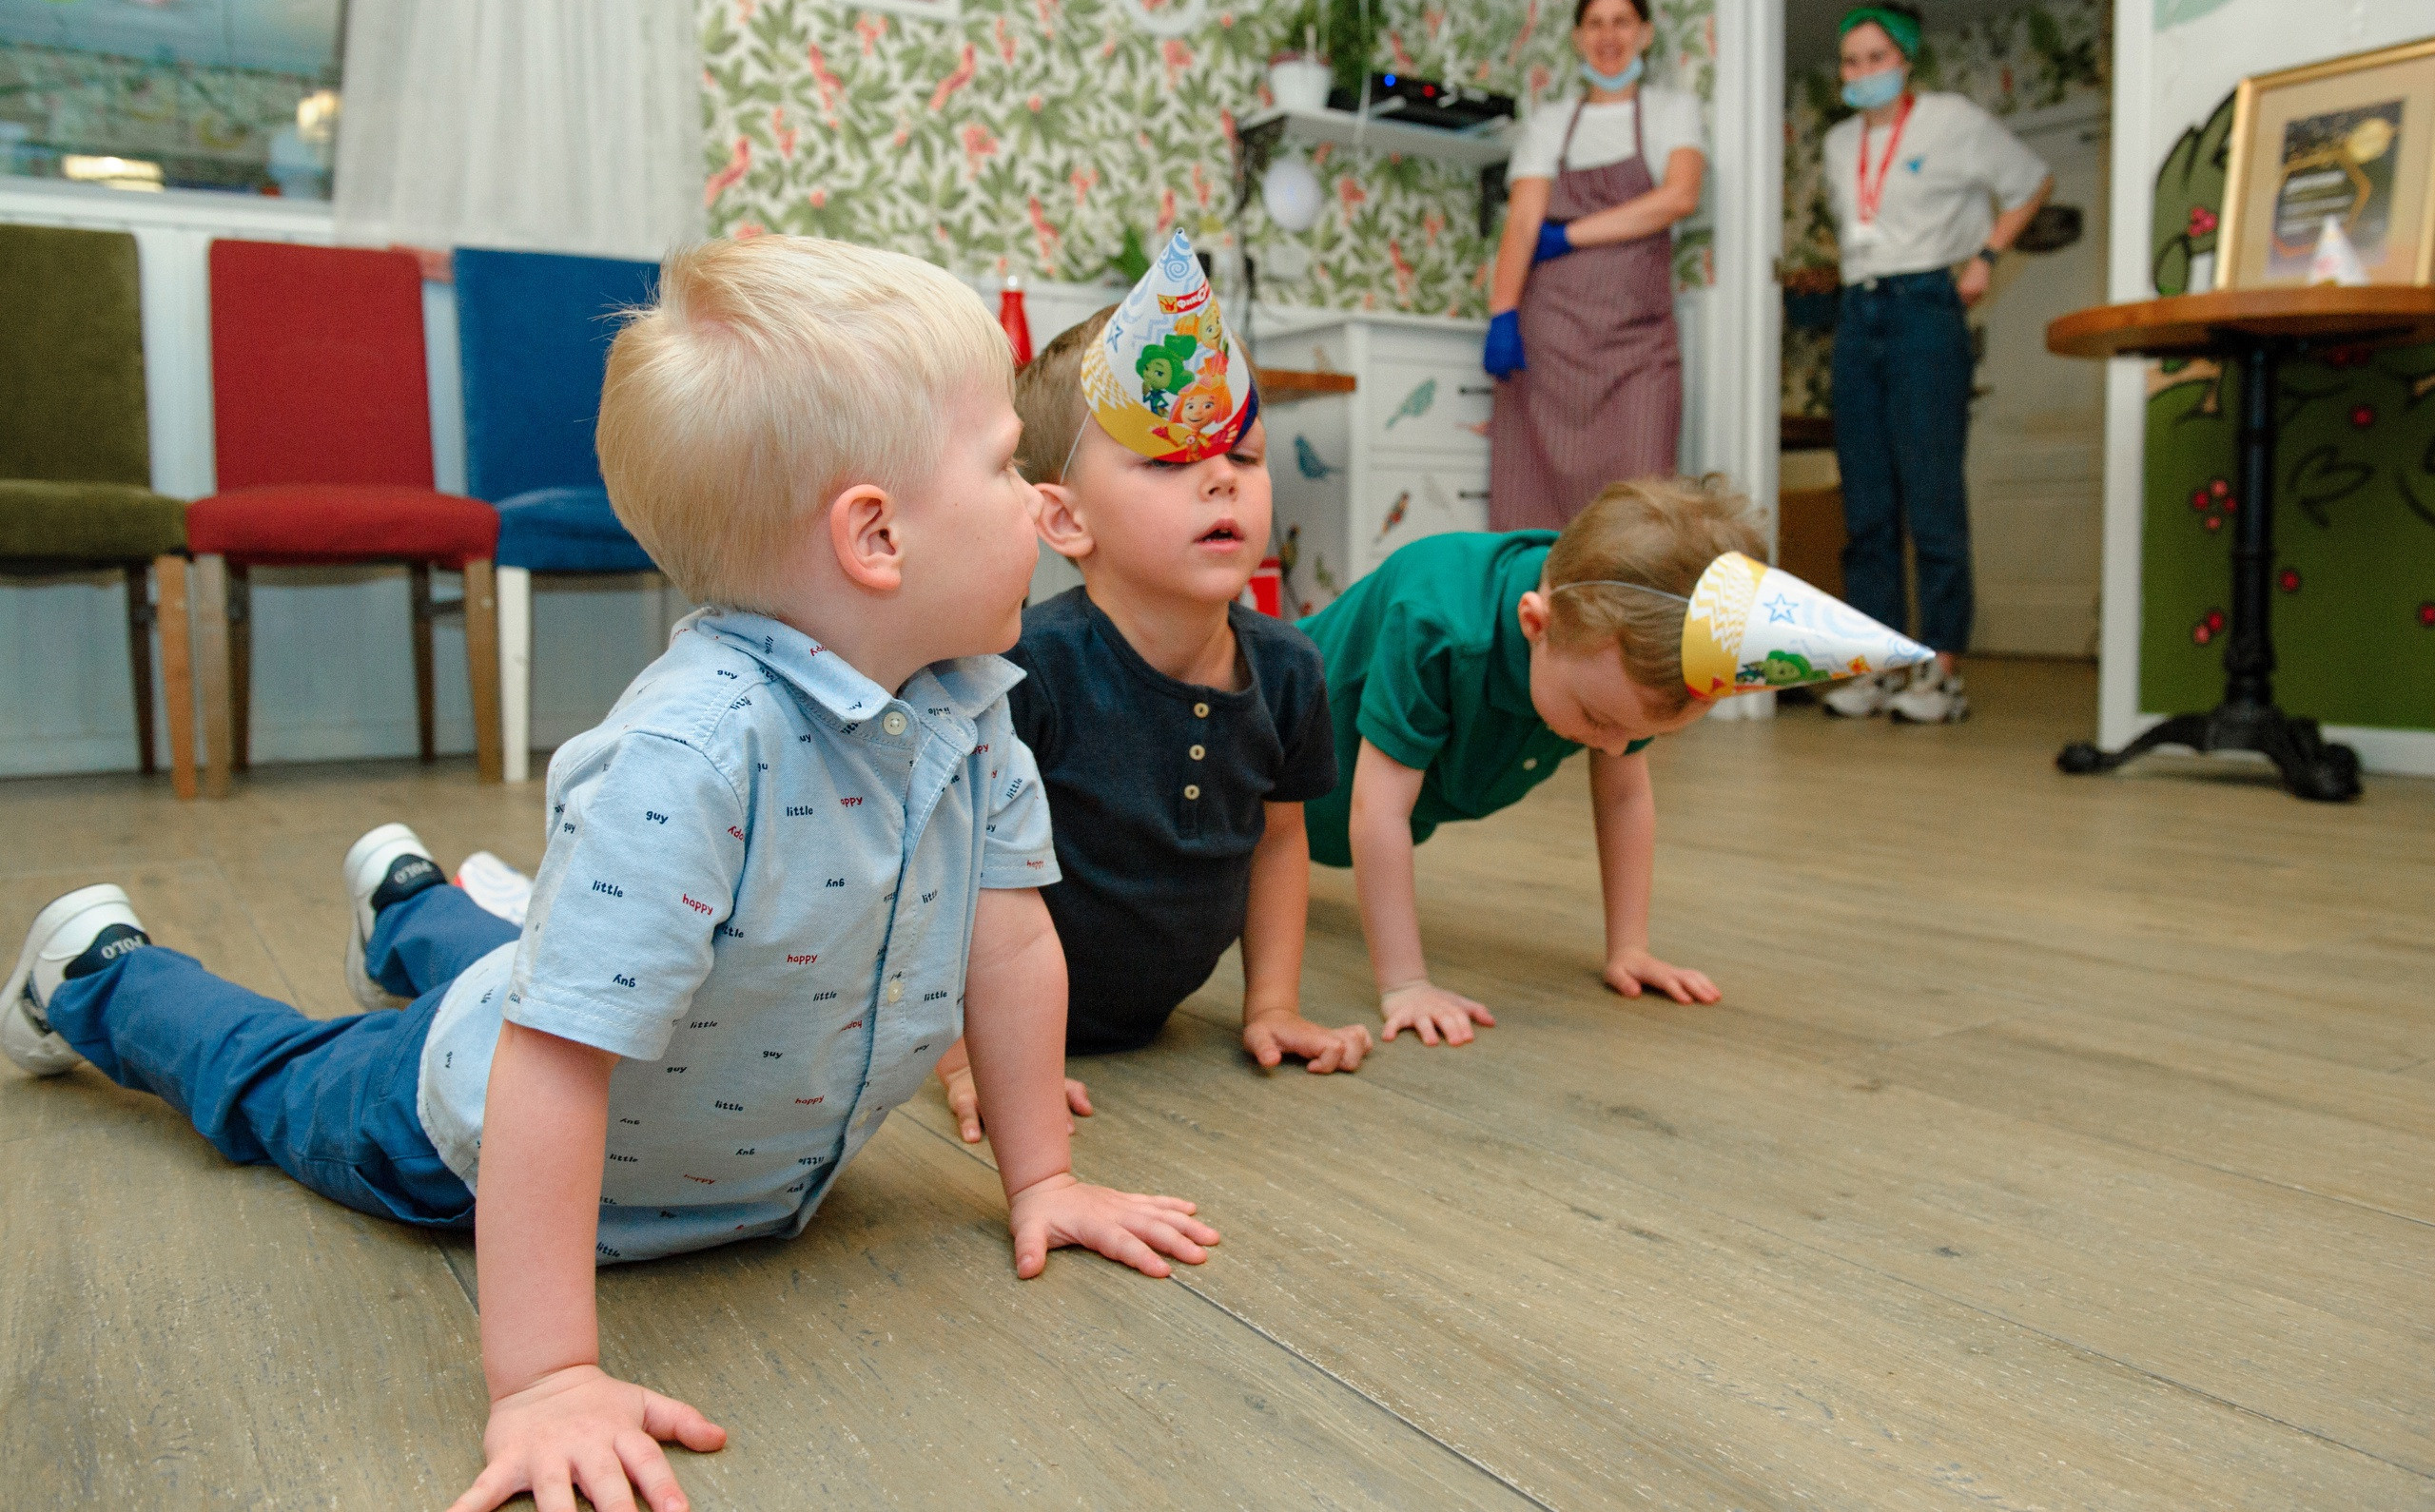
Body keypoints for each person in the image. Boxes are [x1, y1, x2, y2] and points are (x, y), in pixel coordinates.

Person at [0, 237, 1219, 1512]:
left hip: (694, 1104)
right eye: (1003, 464)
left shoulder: (974, 706)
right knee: (283, 1083)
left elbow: (1010, 943)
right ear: (875, 535)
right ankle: (98, 977)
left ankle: (414, 901)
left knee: (557, 961)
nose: (1042, 499)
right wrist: (543, 1375)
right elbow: (553, 1056)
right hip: (473, 1133)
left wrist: (1044, 1176)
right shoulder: (686, 760)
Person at [933, 241, 1372, 1139]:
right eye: (1169, 462)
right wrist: (964, 1055)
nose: (1219, 476)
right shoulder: (1026, 674)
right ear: (1064, 519)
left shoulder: (1289, 670)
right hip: (1000, 1024)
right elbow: (946, 870)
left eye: (1242, 457)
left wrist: (1272, 1002)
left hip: (1156, 1029)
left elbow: (1281, 842)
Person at [1298, 478, 1761, 1046]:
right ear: (1534, 623)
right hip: (1255, 759)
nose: (1614, 747)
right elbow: (1378, 808)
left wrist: (1630, 947)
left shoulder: (1617, 660)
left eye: (1638, 735)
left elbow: (1624, 796)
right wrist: (1405, 985)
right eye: (1597, 721)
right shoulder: (1435, 620)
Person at [1817, 0, 2053, 725]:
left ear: (1906, 61)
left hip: (1926, 307)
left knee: (1932, 496)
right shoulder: (1836, 143)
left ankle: (1941, 667)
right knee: (1866, 502)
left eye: (1876, 59)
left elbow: (2031, 180)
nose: (1862, 74)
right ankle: (1879, 663)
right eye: (1851, 62)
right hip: (1859, 312)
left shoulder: (1951, 120)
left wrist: (1986, 257)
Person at [1483, 0, 1707, 529]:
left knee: (1641, 512)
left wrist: (1570, 235)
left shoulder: (1672, 112)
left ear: (1646, 33)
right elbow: (1524, 222)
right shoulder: (1550, 123)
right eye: (1595, 24)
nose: (1609, 37)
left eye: (1622, 22)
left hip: (1639, 350)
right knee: (1530, 511)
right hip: (1550, 345)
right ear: (1579, 38)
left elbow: (1678, 197)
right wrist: (1502, 312)